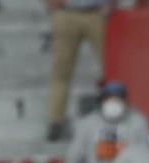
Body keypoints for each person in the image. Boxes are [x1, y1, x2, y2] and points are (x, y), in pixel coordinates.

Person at [46, 0, 112, 142]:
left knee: (111, 68)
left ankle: (114, 112)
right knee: (61, 71)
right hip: (66, 12)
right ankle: (56, 120)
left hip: (97, 13)